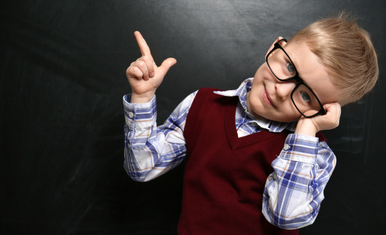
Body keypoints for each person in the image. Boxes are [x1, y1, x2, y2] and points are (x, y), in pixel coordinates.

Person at [122, 13, 378, 234]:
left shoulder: (313, 154)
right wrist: (142, 98)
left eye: (305, 95)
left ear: (324, 110)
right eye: (289, 66)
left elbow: (283, 216)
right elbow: (142, 167)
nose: (280, 91)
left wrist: (307, 130)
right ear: (274, 47)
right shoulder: (201, 104)